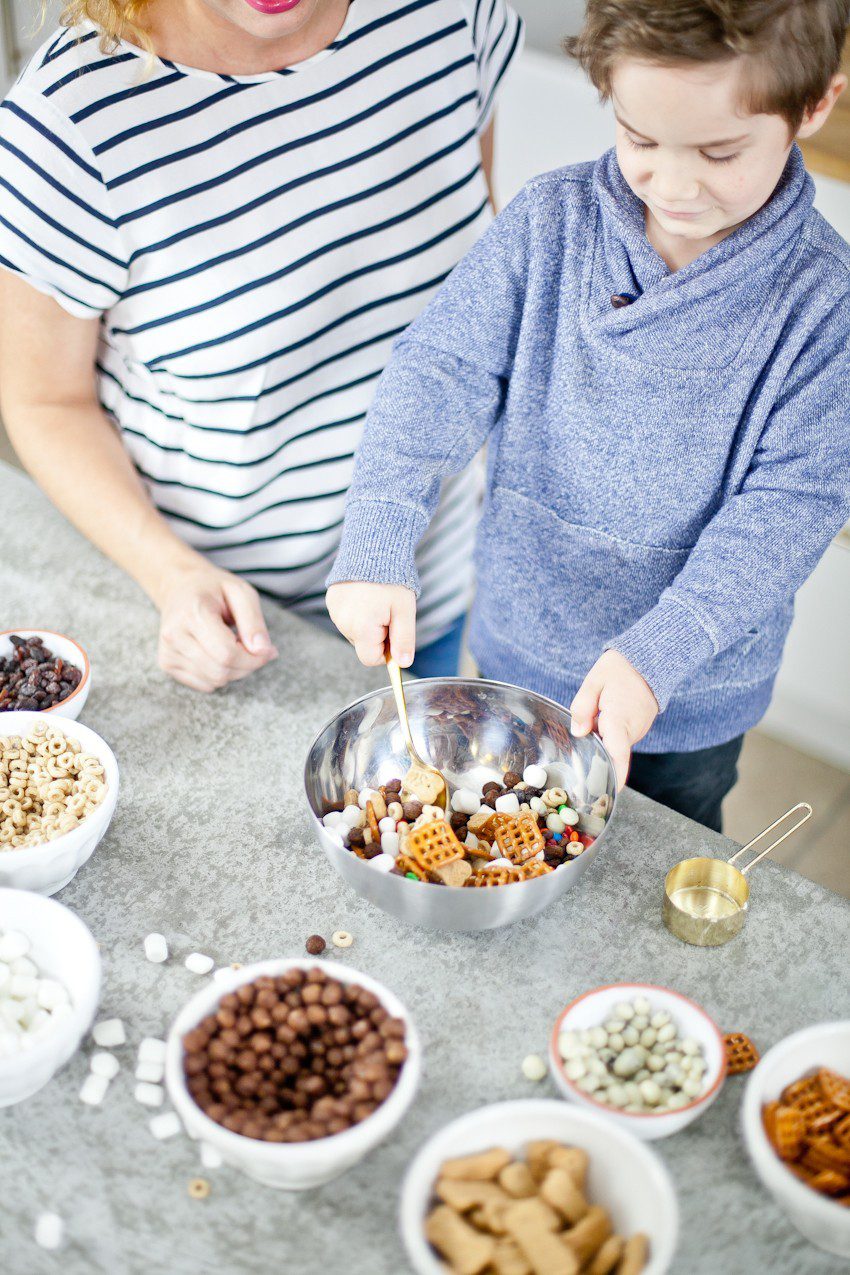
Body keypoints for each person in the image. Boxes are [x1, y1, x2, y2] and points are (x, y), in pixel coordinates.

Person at [326, 0, 850, 831]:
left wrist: (657, 655)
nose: (675, 186)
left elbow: (790, 510)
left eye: (719, 152)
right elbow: (439, 371)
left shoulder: (825, 305)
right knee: (496, 835)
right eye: (640, 139)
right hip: (517, 651)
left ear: (814, 104)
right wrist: (378, 533)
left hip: (686, 696)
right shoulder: (550, 223)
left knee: (646, 876)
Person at [0, 0, 522, 692]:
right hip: (228, 619)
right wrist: (172, 572)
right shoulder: (66, 121)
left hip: (430, 573)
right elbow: (44, 400)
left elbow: (470, 297)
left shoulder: (456, 16)